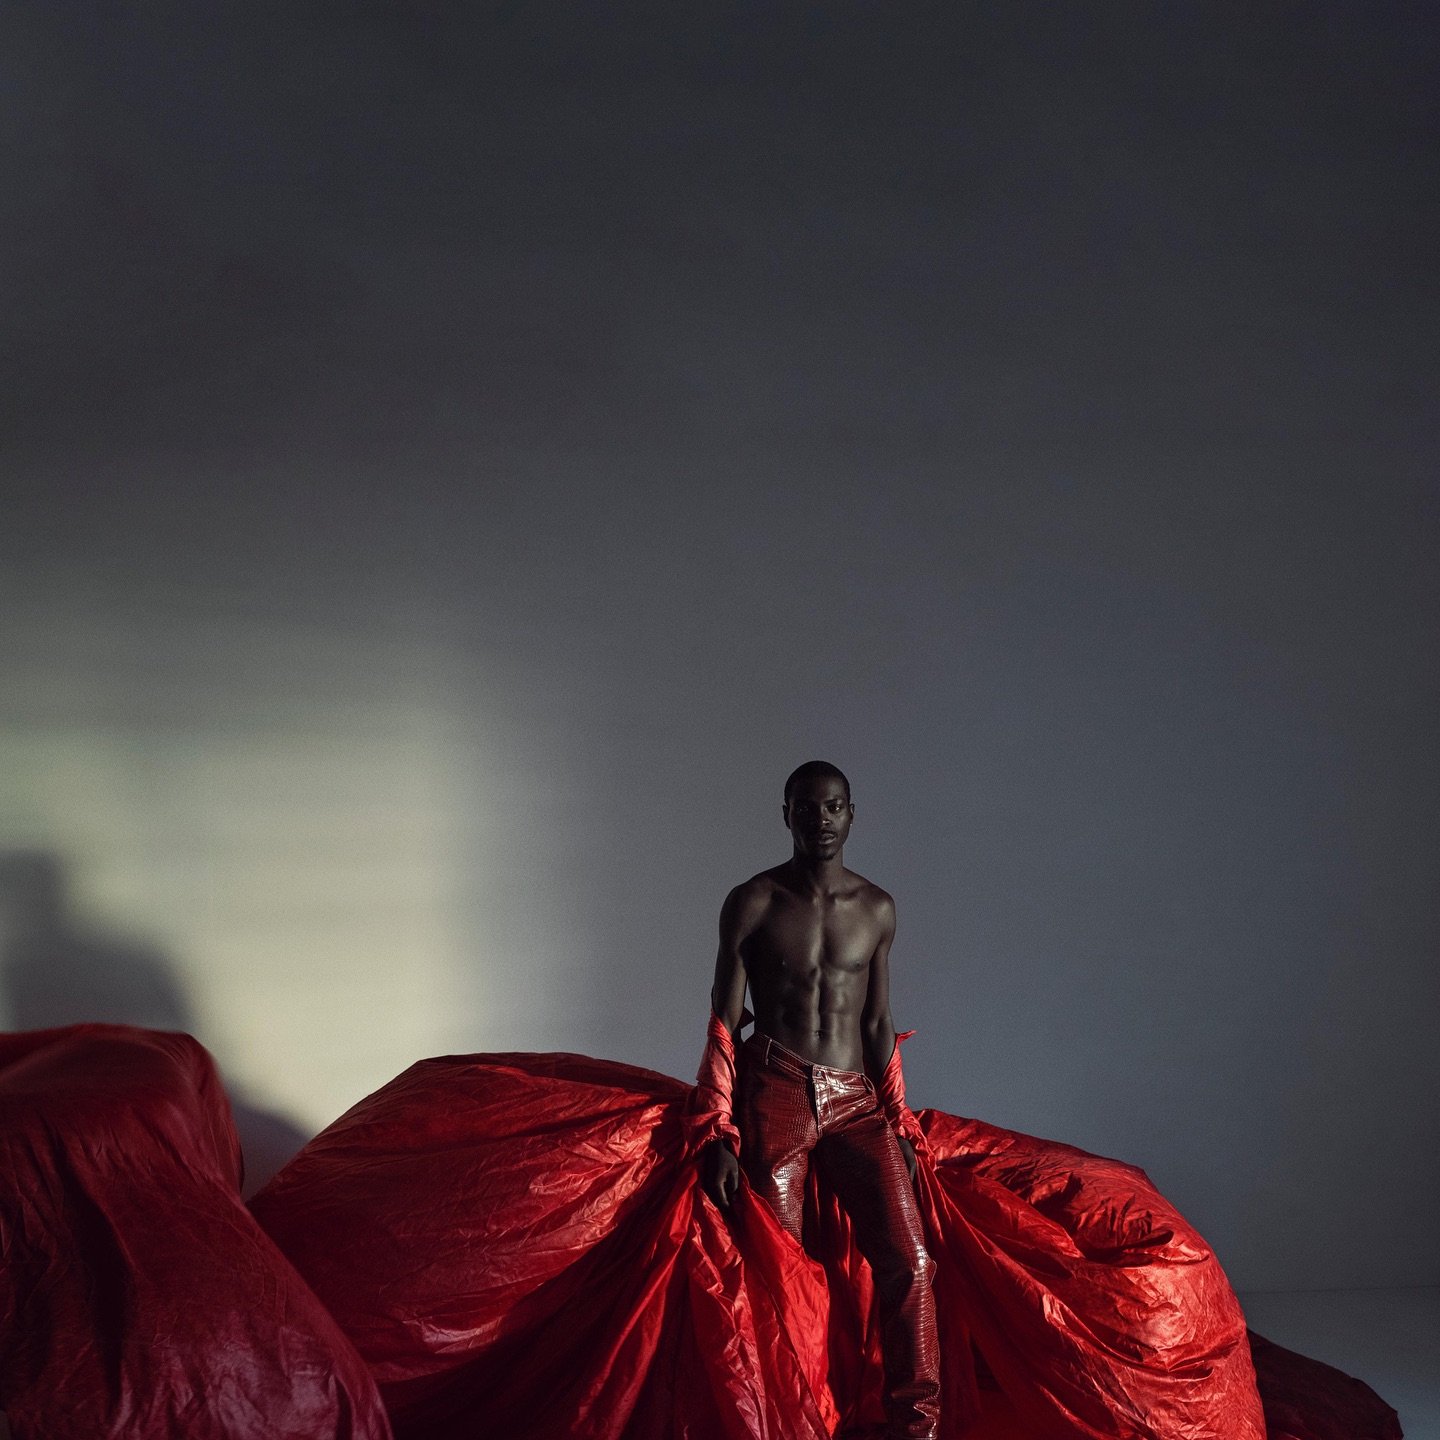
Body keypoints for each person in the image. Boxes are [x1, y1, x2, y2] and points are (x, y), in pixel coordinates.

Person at [694, 760, 941, 1440]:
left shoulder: (877, 908)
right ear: (787, 814)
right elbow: (722, 1022)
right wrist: (719, 1131)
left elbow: (877, 1025)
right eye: (807, 807)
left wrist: (900, 1124)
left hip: (856, 1102)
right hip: (775, 1091)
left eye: (833, 807)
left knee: (912, 1261)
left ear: (851, 814)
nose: (821, 819)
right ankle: (795, 1424)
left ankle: (916, 1429)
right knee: (783, 1276)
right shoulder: (753, 902)